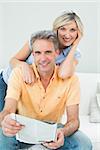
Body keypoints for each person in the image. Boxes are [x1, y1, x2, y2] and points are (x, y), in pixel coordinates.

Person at [0, 30, 92, 150]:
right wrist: (6, 120)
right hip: (21, 127)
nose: (43, 58)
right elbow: (8, 109)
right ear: (33, 55)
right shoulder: (18, 74)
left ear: (57, 53)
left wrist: (62, 132)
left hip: (51, 130)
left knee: (84, 144)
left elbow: (74, 120)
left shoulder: (71, 80)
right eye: (38, 53)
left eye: (48, 52)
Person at [0, 11, 83, 111]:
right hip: (7, 84)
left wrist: (75, 45)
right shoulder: (39, 39)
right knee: (4, 122)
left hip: (29, 93)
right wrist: (24, 66)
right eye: (63, 29)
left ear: (78, 33)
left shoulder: (74, 54)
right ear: (56, 29)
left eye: (72, 30)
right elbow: (13, 60)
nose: (67, 34)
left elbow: (63, 74)